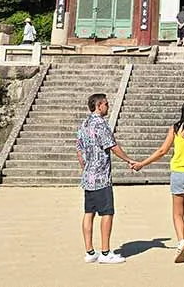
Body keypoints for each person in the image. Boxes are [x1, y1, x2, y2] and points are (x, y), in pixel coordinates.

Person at [131, 99, 184, 263]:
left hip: (179, 173)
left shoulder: (175, 129)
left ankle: (181, 242)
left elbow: (162, 151)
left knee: (177, 213)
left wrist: (142, 164)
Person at [77, 93, 138, 265]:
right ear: (99, 105)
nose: (107, 107)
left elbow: (79, 151)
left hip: (88, 177)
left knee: (89, 213)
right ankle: (105, 252)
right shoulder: (100, 124)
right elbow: (112, 146)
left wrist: (86, 168)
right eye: (105, 104)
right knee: (107, 213)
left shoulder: (84, 124)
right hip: (101, 177)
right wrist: (129, 160)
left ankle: (89, 251)